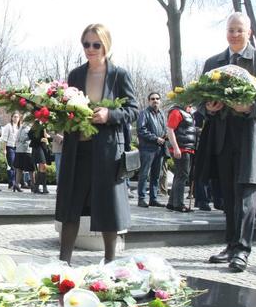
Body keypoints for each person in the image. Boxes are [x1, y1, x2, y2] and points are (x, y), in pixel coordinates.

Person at [196, 12, 256, 272]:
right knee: (228, 196)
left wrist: (248, 107)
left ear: (249, 33)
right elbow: (200, 99)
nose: (234, 34)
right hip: (222, 137)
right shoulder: (213, 63)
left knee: (246, 196)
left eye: (239, 30)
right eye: (231, 30)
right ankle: (231, 245)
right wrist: (209, 107)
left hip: (250, 137)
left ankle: (243, 249)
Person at [55, 24, 138, 264]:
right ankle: (63, 263)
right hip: (77, 150)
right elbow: (64, 106)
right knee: (71, 205)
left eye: (96, 44)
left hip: (107, 151)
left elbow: (132, 110)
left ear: (106, 45)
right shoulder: (76, 75)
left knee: (107, 207)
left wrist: (109, 116)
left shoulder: (119, 75)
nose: (90, 49)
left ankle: (110, 263)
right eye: (86, 44)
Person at [136, 91, 167, 207]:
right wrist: (155, 138)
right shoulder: (144, 113)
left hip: (159, 149)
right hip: (147, 149)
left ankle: (153, 198)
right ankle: (141, 198)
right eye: (153, 99)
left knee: (156, 175)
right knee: (144, 174)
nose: (155, 100)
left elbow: (164, 129)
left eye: (157, 98)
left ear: (160, 101)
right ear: (149, 101)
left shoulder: (161, 114)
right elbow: (141, 130)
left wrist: (165, 137)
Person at [165, 103, 197, 213]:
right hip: (182, 148)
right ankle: (179, 204)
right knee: (182, 176)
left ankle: (172, 202)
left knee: (179, 175)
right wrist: (176, 147)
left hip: (187, 147)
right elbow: (170, 130)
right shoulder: (176, 112)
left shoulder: (187, 113)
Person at [0, 111, 21, 189]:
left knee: (17, 166)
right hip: (10, 148)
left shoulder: (19, 127)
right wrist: (4, 149)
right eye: (14, 117)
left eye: (17, 117)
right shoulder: (8, 126)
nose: (16, 118)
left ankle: (16, 183)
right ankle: (11, 183)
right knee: (11, 165)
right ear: (12, 118)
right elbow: (4, 139)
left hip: (18, 148)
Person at [13, 119, 34, 193]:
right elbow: (24, 138)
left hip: (19, 150)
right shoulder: (27, 128)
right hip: (26, 150)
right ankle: (33, 185)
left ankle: (16, 184)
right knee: (31, 169)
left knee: (19, 168)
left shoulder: (21, 127)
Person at [29, 124, 51, 194]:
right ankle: (44, 187)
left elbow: (48, 136)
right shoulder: (37, 123)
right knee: (43, 166)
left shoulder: (48, 123)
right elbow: (30, 135)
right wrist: (40, 139)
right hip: (37, 147)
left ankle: (36, 187)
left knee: (43, 168)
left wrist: (49, 137)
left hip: (44, 147)